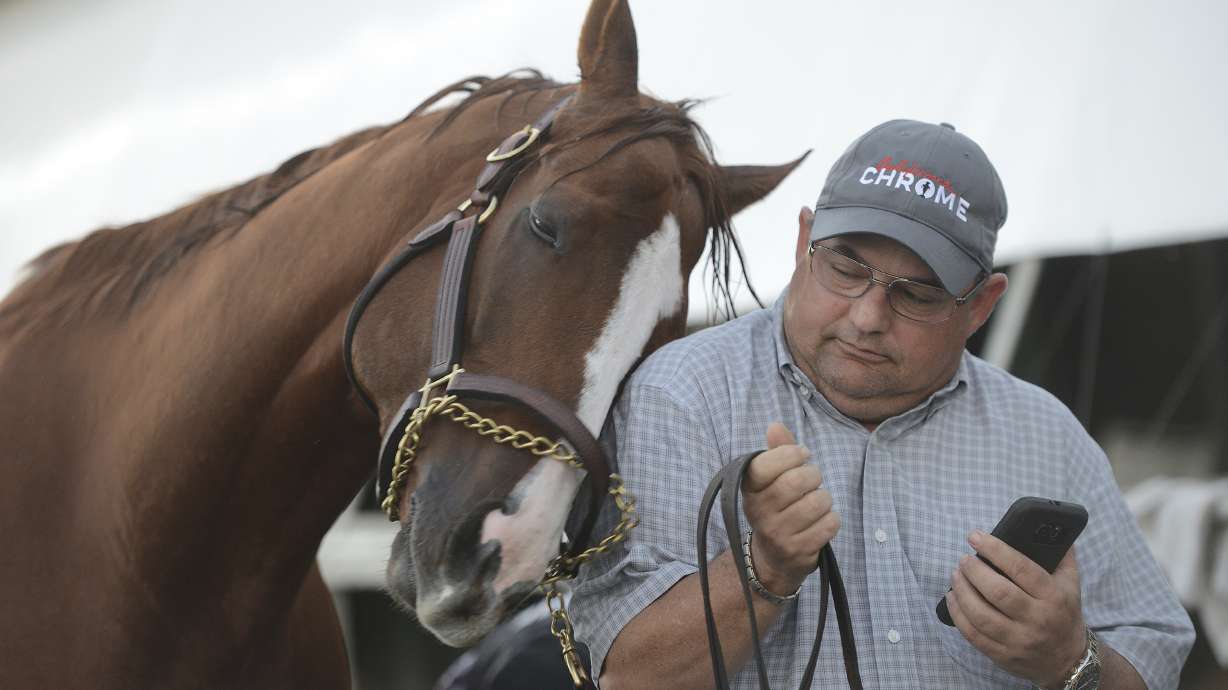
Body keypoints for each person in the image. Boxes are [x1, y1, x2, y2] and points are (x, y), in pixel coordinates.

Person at [571, 120, 1194, 689]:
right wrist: (765, 568)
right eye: (846, 267)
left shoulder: (1046, 434)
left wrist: (1069, 660)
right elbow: (629, 678)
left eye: (917, 294)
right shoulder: (683, 393)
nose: (868, 317)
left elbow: (1154, 655)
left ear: (980, 306)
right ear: (804, 241)